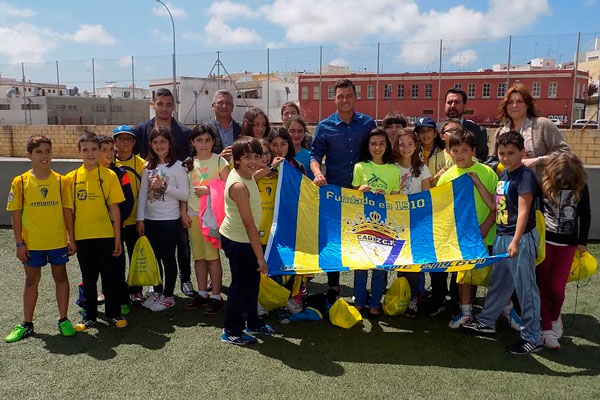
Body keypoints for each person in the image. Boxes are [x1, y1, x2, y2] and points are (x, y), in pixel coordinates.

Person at [463, 130, 542, 355]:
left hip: (520, 239)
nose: (506, 158)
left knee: (526, 288)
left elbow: (525, 211)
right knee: (499, 282)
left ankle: (532, 337)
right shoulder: (504, 176)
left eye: (511, 153)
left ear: (522, 153)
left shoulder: (525, 176)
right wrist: (477, 182)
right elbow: (494, 206)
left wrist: (516, 241)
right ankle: (487, 320)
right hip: (502, 236)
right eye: (502, 153)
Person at [4, 135, 76, 343]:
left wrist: (71, 238)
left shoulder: (61, 181)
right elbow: (15, 213)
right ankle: (27, 323)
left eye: (48, 151)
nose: (45, 156)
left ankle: (63, 319)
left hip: (57, 241)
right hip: (32, 243)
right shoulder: (20, 182)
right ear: (29, 155)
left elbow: (67, 211)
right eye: (39, 152)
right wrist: (19, 243)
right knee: (31, 281)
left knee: (61, 277)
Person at [310, 78, 376, 300]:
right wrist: (318, 172)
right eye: (340, 96)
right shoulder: (324, 126)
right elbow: (315, 155)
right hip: (335, 191)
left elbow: (378, 150)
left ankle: (360, 288)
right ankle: (334, 285)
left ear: (355, 97)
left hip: (362, 192)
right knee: (333, 240)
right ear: (334, 98)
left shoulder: (368, 123)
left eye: (349, 96)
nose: (345, 100)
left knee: (363, 236)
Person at [133, 87, 196, 297]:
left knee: (182, 245)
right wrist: (141, 216)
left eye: (169, 104)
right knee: (157, 252)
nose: (164, 108)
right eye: (160, 104)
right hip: (152, 212)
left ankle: (184, 279)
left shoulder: (185, 133)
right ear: (153, 105)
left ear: (174, 107)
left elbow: (186, 177)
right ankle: (156, 284)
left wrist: (183, 208)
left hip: (174, 209)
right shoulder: (141, 130)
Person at [65, 132, 126, 331]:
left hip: (106, 236)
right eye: (85, 150)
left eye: (94, 149)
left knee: (110, 276)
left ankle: (114, 313)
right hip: (83, 237)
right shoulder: (70, 179)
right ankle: (89, 315)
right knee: (88, 278)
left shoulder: (109, 176)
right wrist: (71, 239)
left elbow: (115, 208)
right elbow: (69, 212)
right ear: (79, 152)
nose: (90, 153)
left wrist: (117, 237)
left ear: (100, 151)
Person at [437, 129, 498, 328]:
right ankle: (465, 313)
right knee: (464, 278)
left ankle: (501, 311)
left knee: (494, 276)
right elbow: (440, 209)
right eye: (455, 150)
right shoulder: (446, 177)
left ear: (473, 150)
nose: (460, 155)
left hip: (487, 235)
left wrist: (485, 227)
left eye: (464, 150)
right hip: (460, 238)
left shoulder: (487, 173)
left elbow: (498, 206)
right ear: (449, 151)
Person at [220, 136, 277, 346]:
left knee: (252, 284)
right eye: (246, 157)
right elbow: (249, 225)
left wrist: (270, 165)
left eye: (256, 156)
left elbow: (258, 172)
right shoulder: (238, 186)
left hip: (247, 240)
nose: (253, 161)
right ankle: (231, 331)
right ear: (236, 160)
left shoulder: (247, 175)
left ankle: (252, 322)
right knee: (240, 286)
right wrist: (260, 258)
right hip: (240, 240)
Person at [536, 153, 590, 349]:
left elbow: (586, 215)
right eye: (561, 182)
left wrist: (582, 242)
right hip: (546, 243)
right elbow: (536, 212)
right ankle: (546, 328)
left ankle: (555, 316)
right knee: (541, 286)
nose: (565, 185)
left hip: (567, 246)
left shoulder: (581, 188)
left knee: (557, 290)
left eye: (569, 182)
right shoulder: (543, 186)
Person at [137, 127, 190, 312]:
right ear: (150, 145)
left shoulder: (178, 166)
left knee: (168, 258)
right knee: (155, 258)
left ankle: (169, 295)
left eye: (163, 142)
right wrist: (140, 219)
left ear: (170, 144)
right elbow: (143, 194)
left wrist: (164, 186)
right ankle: (158, 291)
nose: (160, 145)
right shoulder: (147, 167)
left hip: (169, 220)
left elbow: (185, 194)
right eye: (155, 142)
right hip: (150, 220)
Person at [352, 128, 400, 318]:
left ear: (387, 146)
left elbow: (396, 198)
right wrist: (360, 191)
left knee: (381, 266)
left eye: (381, 143)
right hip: (362, 222)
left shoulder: (393, 170)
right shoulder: (359, 167)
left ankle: (375, 302)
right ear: (368, 146)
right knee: (361, 264)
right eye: (373, 143)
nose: (377, 147)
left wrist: (386, 197)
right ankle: (359, 300)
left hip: (385, 223)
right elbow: (352, 197)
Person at [182, 125, 229, 314]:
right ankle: (202, 293)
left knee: (212, 257)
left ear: (213, 142)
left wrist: (209, 190)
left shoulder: (219, 161)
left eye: (207, 140)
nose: (203, 144)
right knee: (199, 257)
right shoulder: (188, 164)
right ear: (192, 142)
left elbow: (229, 187)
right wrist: (183, 213)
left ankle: (216, 296)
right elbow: (184, 192)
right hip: (193, 217)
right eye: (199, 140)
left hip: (212, 218)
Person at [491, 83, 570, 180]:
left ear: (527, 105)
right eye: (510, 102)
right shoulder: (500, 132)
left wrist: (537, 161)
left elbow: (565, 153)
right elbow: (492, 160)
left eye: (519, 101)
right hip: (509, 187)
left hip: (540, 186)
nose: (514, 105)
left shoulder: (543, 125)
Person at [394, 128, 431, 317]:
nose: (405, 147)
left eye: (410, 144)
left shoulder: (423, 169)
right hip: (396, 222)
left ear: (416, 146)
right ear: (396, 146)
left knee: (416, 262)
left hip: (416, 222)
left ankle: (417, 297)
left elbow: (426, 197)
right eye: (402, 144)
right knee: (401, 261)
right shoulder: (392, 167)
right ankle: (402, 294)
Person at [98, 135, 135, 316]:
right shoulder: (89, 175)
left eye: (111, 150)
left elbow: (128, 202)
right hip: (94, 230)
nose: (108, 154)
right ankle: (103, 295)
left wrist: (117, 220)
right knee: (99, 266)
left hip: (116, 228)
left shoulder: (122, 174)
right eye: (103, 150)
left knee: (118, 265)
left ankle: (122, 300)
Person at [113, 125, 146, 304]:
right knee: (114, 257)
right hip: (114, 222)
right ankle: (111, 289)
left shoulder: (142, 164)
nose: (124, 142)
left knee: (135, 256)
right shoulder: (109, 162)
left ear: (134, 142)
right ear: (115, 142)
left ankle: (136, 290)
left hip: (135, 220)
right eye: (120, 138)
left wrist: (142, 218)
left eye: (128, 138)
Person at [444, 88, 488, 161]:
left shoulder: (478, 131)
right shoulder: (436, 129)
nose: (452, 106)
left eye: (457, 102)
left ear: (464, 105)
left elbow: (482, 159)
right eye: (449, 102)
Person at [208, 89, 241, 159]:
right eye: (220, 103)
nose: (224, 106)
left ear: (232, 107)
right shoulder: (205, 130)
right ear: (213, 106)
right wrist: (219, 159)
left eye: (228, 103)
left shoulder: (243, 128)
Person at [429, 119, 462, 187]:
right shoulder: (433, 160)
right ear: (442, 136)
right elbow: (427, 188)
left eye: (458, 130)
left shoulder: (471, 157)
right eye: (450, 130)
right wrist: (437, 177)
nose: (455, 133)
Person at [284, 115, 314, 179]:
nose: (296, 135)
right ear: (286, 132)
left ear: (304, 133)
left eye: (300, 131)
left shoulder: (310, 156)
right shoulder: (280, 155)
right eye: (292, 131)